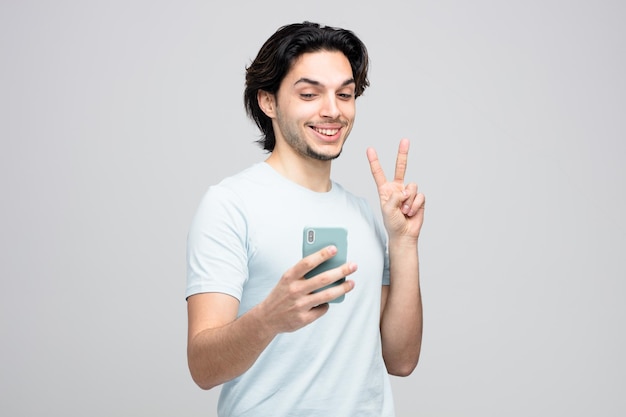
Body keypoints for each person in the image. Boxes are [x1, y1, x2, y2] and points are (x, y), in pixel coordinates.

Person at [186, 21, 425, 417]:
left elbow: (401, 361)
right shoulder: (230, 204)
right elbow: (202, 367)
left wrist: (404, 243)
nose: (332, 110)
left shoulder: (364, 213)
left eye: (344, 94)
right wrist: (268, 318)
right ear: (268, 101)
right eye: (310, 94)